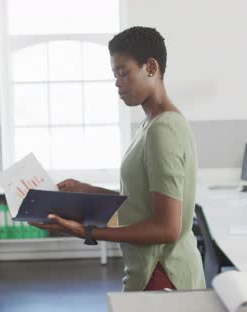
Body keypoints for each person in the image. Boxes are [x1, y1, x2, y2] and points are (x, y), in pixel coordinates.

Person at [31, 26, 205, 291]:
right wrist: (89, 191)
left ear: (151, 67)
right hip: (148, 270)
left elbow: (166, 228)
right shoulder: (150, 125)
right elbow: (141, 203)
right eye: (114, 74)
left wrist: (87, 232)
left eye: (123, 72)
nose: (117, 82)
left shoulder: (163, 130)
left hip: (163, 273)